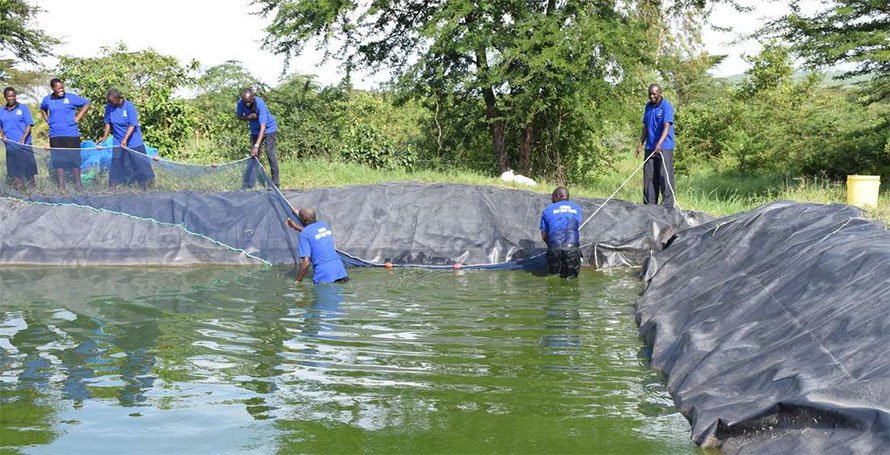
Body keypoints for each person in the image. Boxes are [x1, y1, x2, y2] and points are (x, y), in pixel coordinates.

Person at [96, 88, 155, 189]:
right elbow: (107, 123)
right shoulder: (109, 107)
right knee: (117, 161)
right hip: (118, 139)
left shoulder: (129, 106)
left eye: (113, 101)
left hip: (133, 139)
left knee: (138, 162)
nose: (111, 103)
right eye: (109, 101)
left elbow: (132, 125)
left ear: (119, 99)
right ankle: (113, 184)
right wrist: (104, 136)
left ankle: (145, 184)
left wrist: (125, 139)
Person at [40, 78, 90, 191]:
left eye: (62, 87)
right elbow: (42, 109)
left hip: (71, 134)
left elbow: (87, 103)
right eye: (58, 88)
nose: (61, 90)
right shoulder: (47, 99)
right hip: (55, 135)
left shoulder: (71, 97)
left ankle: (78, 186)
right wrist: (47, 119)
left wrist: (78, 116)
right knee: (59, 161)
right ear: (53, 89)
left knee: (74, 160)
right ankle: (61, 187)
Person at [635, 83, 676, 207]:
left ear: (660, 93)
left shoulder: (666, 106)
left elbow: (666, 126)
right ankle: (650, 205)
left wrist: (659, 143)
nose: (651, 96)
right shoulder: (648, 106)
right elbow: (646, 127)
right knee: (649, 177)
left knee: (664, 175)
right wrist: (640, 144)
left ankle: (668, 205)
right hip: (650, 147)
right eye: (650, 94)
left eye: (654, 94)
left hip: (664, 147)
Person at [285, 207, 349, 284]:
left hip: (324, 275)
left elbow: (306, 263)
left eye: (300, 217)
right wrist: (296, 225)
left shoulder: (304, 235)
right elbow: (313, 233)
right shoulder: (324, 225)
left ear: (304, 218)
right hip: (340, 271)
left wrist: (297, 281)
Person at [236, 88, 279, 188]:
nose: (247, 104)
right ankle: (248, 184)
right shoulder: (241, 103)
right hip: (255, 131)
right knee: (254, 156)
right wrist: (248, 117)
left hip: (269, 129)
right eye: (245, 102)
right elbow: (239, 116)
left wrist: (256, 145)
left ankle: (275, 184)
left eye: (249, 102)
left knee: (269, 152)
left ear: (253, 98)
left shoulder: (260, 104)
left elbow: (263, 127)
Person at [540, 187, 583, 279]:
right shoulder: (577, 209)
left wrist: (552, 248)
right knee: (572, 280)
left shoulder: (547, 210)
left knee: (553, 278)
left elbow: (544, 236)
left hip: (554, 248)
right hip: (572, 248)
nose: (551, 200)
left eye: (552, 197)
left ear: (557, 196)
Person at [0, 87, 38, 188]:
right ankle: (18, 185)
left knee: (28, 166)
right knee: (14, 167)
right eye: (9, 96)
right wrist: (2, 136)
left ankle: (32, 186)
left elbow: (28, 124)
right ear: (5, 97)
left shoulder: (23, 108)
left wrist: (23, 138)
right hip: (10, 143)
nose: (12, 98)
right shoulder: (1, 111)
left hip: (24, 143)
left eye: (13, 96)